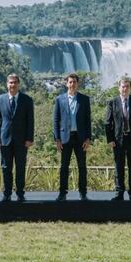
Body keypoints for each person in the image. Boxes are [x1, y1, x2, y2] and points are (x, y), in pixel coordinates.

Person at [0, 74, 34, 202]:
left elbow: (30, 121)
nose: (13, 85)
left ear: (18, 84)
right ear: (7, 84)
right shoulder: (0, 100)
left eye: (15, 82)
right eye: (10, 82)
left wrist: (29, 139)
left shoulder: (27, 100)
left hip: (22, 140)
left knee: (20, 168)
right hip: (5, 140)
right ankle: (7, 193)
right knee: (6, 168)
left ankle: (20, 193)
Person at [104, 76, 131, 201]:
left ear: (130, 88)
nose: (125, 89)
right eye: (123, 86)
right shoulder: (112, 102)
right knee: (119, 167)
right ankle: (119, 193)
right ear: (119, 88)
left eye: (127, 86)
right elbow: (107, 122)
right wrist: (110, 140)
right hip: (118, 140)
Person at [53, 73, 92, 201]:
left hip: (80, 138)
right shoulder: (59, 99)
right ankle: (62, 193)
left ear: (77, 84)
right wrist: (57, 139)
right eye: (70, 82)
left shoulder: (84, 99)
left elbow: (88, 120)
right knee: (64, 167)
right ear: (66, 84)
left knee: (82, 166)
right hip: (65, 138)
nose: (72, 84)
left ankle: (83, 193)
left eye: (74, 82)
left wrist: (88, 139)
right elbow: (56, 120)